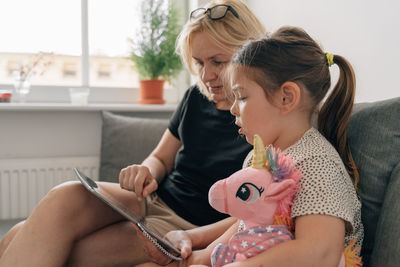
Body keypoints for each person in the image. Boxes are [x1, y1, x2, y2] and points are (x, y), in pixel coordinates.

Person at [0, 1, 266, 267]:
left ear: (250, 53)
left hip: (186, 224)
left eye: (218, 62)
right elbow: (161, 159)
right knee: (65, 195)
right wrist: (146, 170)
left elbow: (259, 208)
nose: (206, 75)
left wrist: (195, 238)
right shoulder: (195, 97)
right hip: (152, 199)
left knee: (23, 237)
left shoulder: (266, 117)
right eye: (198, 63)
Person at [138, 26, 364, 267]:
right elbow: (245, 225)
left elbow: (318, 253)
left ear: (286, 98)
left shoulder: (316, 165)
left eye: (242, 97)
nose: (234, 109)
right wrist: (193, 254)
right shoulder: (262, 159)